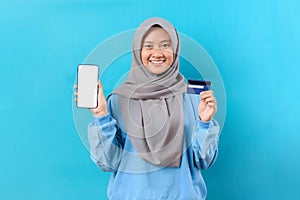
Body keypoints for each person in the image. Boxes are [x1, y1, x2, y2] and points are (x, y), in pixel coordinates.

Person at [75, 17, 220, 200]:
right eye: (148, 46)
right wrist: (101, 116)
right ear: (138, 52)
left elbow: (203, 160)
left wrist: (205, 124)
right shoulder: (119, 100)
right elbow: (107, 163)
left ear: (175, 51)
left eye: (165, 45)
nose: (157, 53)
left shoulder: (194, 97)